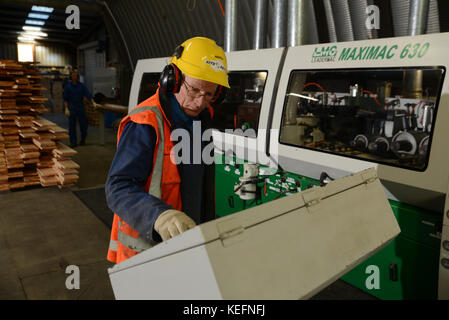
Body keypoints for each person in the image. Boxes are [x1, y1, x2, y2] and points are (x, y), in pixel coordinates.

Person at [105, 37, 230, 264]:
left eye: (210, 94)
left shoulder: (203, 120)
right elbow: (117, 187)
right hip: (144, 252)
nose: (200, 101)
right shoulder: (145, 122)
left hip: (185, 245)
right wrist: (159, 216)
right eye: (194, 90)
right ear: (172, 79)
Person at [63, 70, 99, 148]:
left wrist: (93, 102)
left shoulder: (82, 86)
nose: (74, 77)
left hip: (80, 107)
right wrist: (66, 108)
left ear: (78, 77)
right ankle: (73, 142)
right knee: (72, 126)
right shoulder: (68, 87)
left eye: (76, 75)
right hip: (71, 108)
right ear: (71, 77)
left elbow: (88, 94)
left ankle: (83, 139)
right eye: (73, 75)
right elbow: (65, 99)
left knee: (83, 125)